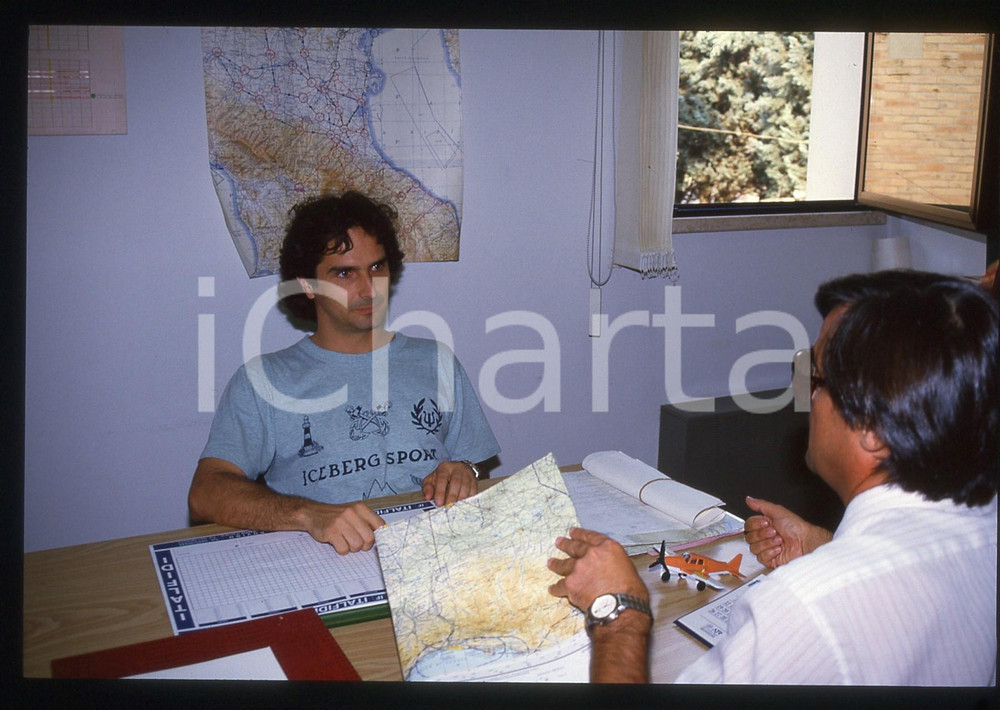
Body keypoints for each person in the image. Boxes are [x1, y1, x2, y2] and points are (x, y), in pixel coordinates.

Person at [548, 270, 997, 684]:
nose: (807, 400)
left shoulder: (804, 607)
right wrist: (824, 545)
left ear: (873, 432)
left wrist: (621, 615)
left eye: (815, 378)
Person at [189, 191, 500, 554]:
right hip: (325, 563)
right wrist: (308, 514)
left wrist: (466, 471)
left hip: (432, 555)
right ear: (306, 284)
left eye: (377, 267)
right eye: (344, 273)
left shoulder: (436, 360)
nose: (368, 289)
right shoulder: (263, 380)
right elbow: (206, 494)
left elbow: (476, 470)